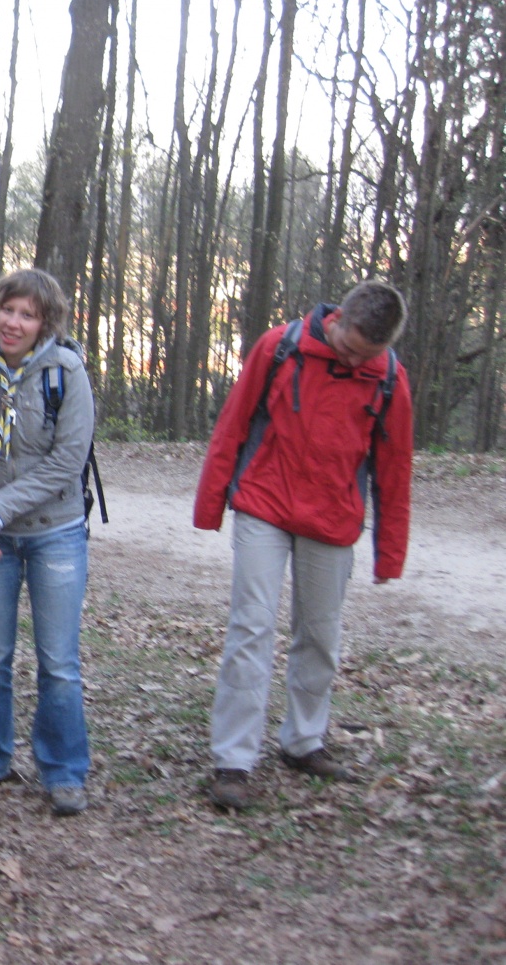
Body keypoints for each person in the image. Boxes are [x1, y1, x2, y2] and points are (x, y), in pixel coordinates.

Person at [195, 280, 412, 811]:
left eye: (366, 354)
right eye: (348, 346)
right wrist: (211, 504)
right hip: (264, 505)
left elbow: (394, 471)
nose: (353, 358)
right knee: (251, 626)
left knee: (319, 636)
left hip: (334, 521)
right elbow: (233, 425)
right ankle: (233, 759)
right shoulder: (279, 347)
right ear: (338, 319)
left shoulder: (389, 380)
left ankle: (303, 741)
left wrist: (390, 553)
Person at [0, 269, 95, 817]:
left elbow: (67, 461)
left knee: (58, 662)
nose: (14, 322)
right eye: (8, 309)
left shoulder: (66, 371)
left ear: (44, 322)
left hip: (55, 534)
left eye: (27, 314)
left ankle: (64, 771)